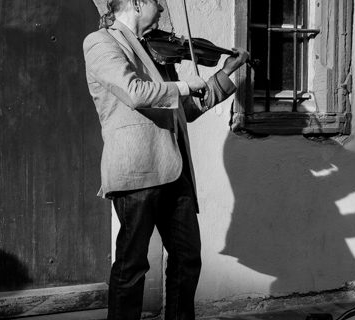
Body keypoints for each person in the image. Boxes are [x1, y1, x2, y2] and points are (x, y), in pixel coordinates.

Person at [82, 0, 250, 319]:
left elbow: (183, 110)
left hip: (175, 170)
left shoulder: (158, 51)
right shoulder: (101, 41)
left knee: (188, 259)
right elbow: (134, 92)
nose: (161, 10)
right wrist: (185, 85)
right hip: (137, 170)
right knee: (132, 265)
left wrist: (225, 73)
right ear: (135, 3)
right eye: (157, 3)